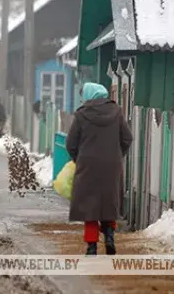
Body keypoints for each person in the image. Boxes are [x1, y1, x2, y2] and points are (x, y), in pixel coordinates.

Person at [65, 82, 133, 255]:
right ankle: (109, 235)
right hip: (111, 165)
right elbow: (127, 138)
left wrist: (79, 159)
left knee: (90, 207)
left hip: (88, 165)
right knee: (108, 203)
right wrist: (117, 155)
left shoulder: (82, 114)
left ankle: (92, 246)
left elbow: (71, 143)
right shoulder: (116, 112)